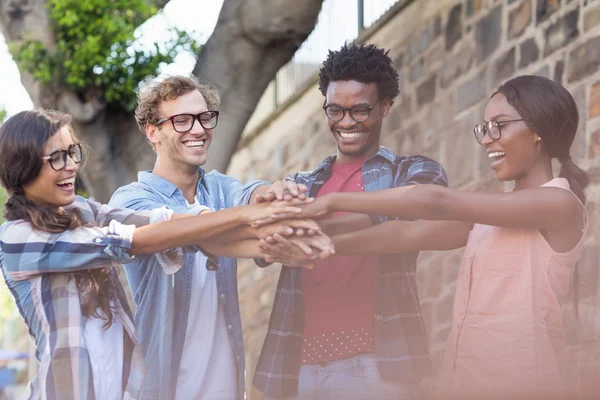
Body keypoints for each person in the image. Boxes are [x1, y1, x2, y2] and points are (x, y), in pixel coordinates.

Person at [267, 75, 589, 399]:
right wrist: (317, 245)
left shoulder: (559, 204)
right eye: (485, 128)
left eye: (499, 126)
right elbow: (404, 233)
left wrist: (332, 202)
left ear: (538, 130)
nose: (488, 139)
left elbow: (437, 202)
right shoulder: (489, 219)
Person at [0, 109, 328, 400]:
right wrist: (244, 216)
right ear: (23, 168)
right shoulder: (17, 239)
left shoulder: (82, 210)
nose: (71, 165)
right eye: (57, 157)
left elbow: (173, 228)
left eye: (73, 152)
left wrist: (273, 237)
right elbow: (132, 241)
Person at [107, 74, 327, 400]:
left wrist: (275, 194)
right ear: (152, 131)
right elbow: (196, 233)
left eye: (204, 117)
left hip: (226, 387)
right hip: (161, 388)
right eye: (181, 121)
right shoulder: (129, 201)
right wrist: (256, 222)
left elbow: (252, 196)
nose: (198, 129)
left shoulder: (221, 188)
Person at [253, 43, 448, 400]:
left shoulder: (413, 171)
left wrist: (313, 222)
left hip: (378, 367)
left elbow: (412, 210)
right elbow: (261, 249)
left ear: (384, 107)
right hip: (294, 371)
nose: (345, 122)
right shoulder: (303, 183)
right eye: (335, 110)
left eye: (360, 110)